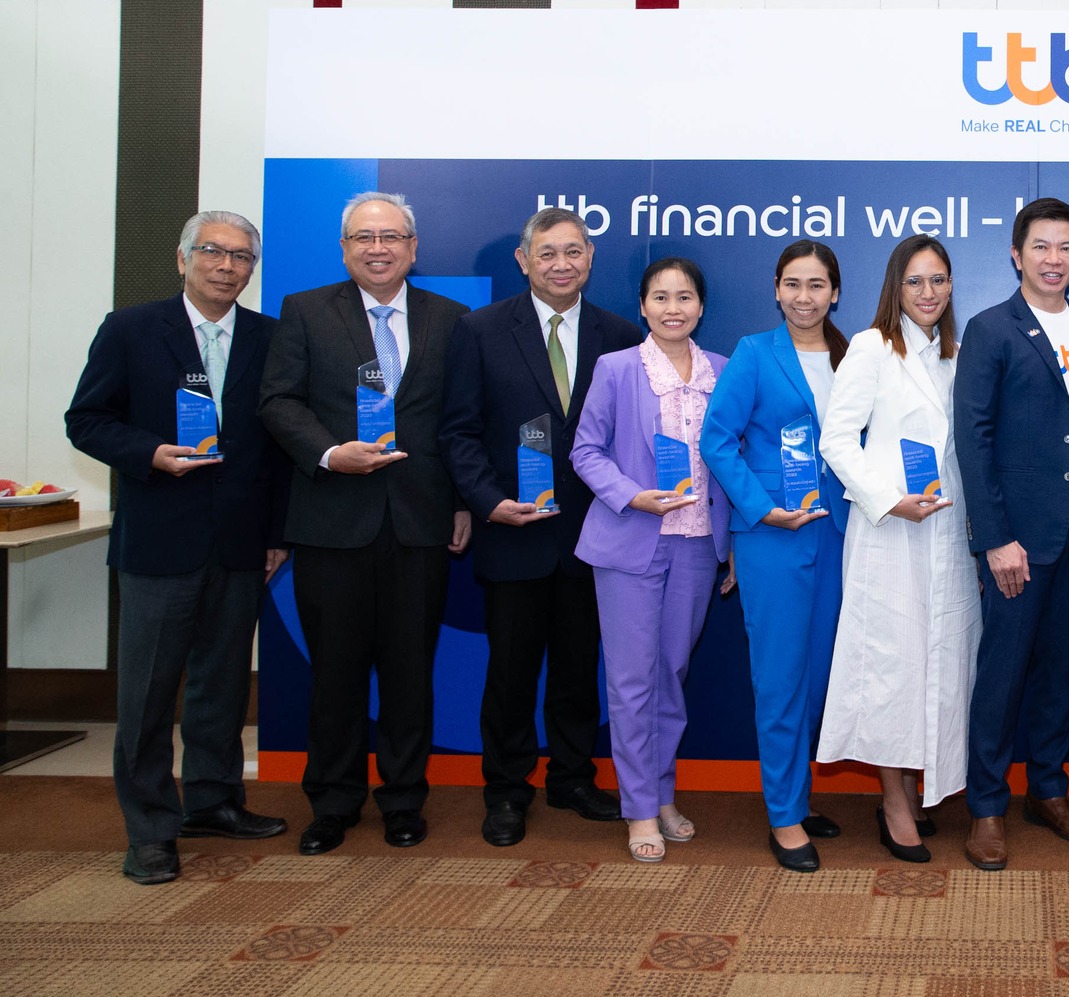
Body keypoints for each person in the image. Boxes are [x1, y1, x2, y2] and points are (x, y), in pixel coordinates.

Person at [65, 210, 291, 885]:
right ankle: (151, 830)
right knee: (147, 696)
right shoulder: (131, 329)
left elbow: (279, 446)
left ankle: (213, 801)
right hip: (159, 541)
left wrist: (275, 534)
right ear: (182, 257)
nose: (226, 265)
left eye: (241, 256)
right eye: (212, 251)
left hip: (241, 544)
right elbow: (86, 419)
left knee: (222, 685)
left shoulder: (269, 337)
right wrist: (150, 453)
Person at [258, 192, 472, 855]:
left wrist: (462, 499)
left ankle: (404, 800)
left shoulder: (451, 318)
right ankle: (333, 802)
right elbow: (278, 400)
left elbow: (460, 419)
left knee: (410, 674)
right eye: (363, 237)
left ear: (413, 246)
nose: (378, 248)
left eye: (391, 236)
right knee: (335, 675)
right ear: (344, 247)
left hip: (420, 523)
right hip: (332, 521)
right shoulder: (304, 311)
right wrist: (329, 452)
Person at [439, 206, 642, 846]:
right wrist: (486, 501)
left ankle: (573, 778)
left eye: (573, 251)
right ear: (523, 260)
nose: (561, 264)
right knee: (511, 672)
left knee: (580, 668)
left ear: (590, 258)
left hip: (594, 533)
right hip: (512, 529)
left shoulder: (620, 334)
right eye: (547, 252)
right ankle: (506, 789)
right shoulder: (479, 331)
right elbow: (459, 430)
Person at [952, 197, 1069, 871]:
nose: (1054, 259)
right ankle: (987, 805)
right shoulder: (991, 328)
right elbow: (973, 438)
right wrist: (995, 538)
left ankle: (1048, 790)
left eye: (1066, 247)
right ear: (1016, 254)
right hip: (1018, 535)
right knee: (1003, 673)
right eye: (1041, 246)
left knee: (1061, 668)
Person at [816, 236, 977, 864]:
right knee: (891, 666)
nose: (928, 293)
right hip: (889, 532)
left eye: (938, 280)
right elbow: (836, 440)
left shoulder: (957, 356)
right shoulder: (871, 347)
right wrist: (887, 499)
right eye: (915, 282)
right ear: (895, 287)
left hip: (947, 532)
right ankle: (892, 801)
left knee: (938, 665)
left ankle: (914, 787)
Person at [571, 257, 733, 862]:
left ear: (700, 306)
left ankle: (662, 794)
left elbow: (731, 458)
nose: (673, 308)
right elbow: (586, 451)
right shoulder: (616, 368)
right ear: (642, 306)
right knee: (632, 682)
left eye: (684, 297)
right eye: (660, 297)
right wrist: (631, 495)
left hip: (696, 544)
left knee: (671, 675)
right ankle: (638, 807)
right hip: (629, 542)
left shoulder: (722, 371)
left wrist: (734, 543)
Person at [702, 240, 853, 871]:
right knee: (781, 678)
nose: (803, 297)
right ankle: (785, 817)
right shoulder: (754, 352)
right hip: (772, 536)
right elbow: (717, 439)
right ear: (776, 290)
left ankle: (796, 794)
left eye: (816, 285)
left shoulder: (855, 354)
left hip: (841, 532)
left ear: (835, 293)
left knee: (820, 679)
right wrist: (761, 509)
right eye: (792, 284)